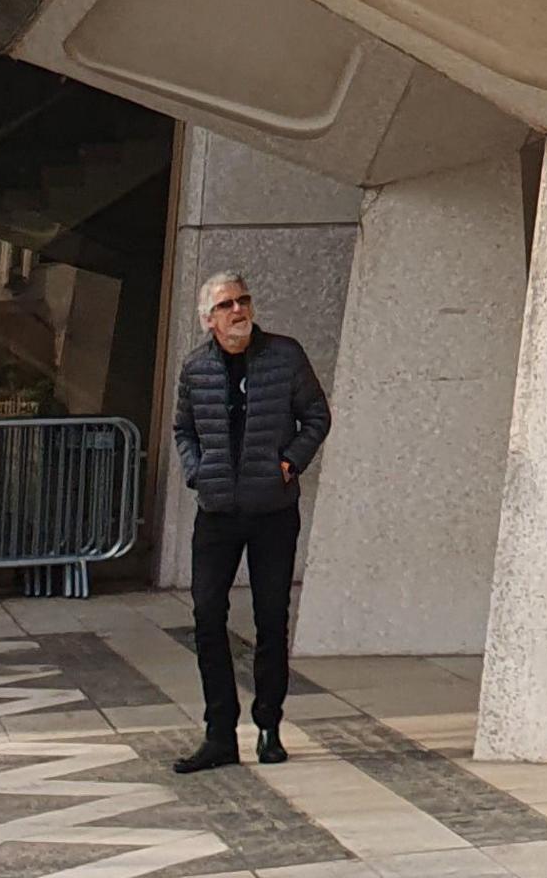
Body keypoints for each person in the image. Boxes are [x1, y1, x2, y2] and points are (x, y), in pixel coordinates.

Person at [169, 270, 330, 772]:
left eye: (243, 301)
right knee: (207, 616)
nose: (238, 311)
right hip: (217, 512)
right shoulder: (196, 368)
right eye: (226, 306)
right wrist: (198, 473)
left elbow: (316, 416)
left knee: (270, 619)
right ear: (208, 319)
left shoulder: (284, 356)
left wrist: (289, 463)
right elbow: (183, 429)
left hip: (272, 512)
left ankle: (268, 725)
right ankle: (219, 733)